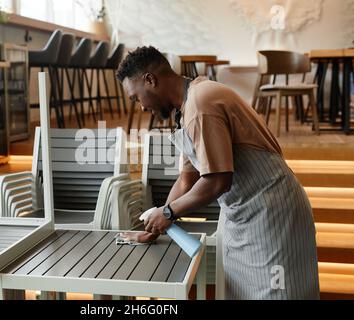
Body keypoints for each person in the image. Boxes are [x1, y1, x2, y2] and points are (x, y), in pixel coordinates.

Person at [116, 46, 319, 300]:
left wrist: (168, 213)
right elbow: (187, 179)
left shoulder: (201, 103)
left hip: (272, 216)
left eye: (136, 98)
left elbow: (218, 180)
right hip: (243, 218)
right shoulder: (187, 108)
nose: (141, 107)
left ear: (150, 80)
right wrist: (154, 227)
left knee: (277, 294)